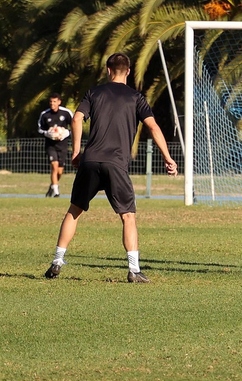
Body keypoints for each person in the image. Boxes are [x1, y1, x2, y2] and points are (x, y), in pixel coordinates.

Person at [43, 53, 177, 283]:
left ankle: (57, 261)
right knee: (128, 216)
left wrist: (76, 152)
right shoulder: (136, 97)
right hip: (116, 163)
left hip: (90, 160)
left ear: (108, 70)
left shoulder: (94, 93)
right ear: (129, 71)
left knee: (74, 211)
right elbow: (153, 127)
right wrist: (168, 157)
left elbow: (76, 119)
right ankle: (134, 270)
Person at [38, 94, 73, 198]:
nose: (52, 104)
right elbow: (40, 129)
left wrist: (66, 132)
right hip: (50, 145)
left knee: (60, 171)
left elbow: (75, 126)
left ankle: (53, 186)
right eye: (51, 102)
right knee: (54, 166)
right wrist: (48, 133)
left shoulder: (66, 113)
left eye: (54, 102)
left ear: (59, 102)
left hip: (63, 145)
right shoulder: (45, 114)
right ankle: (56, 193)